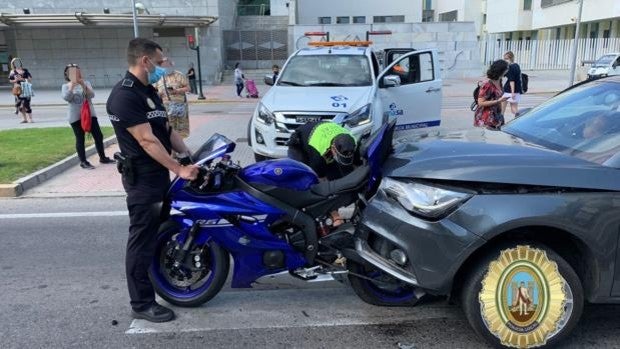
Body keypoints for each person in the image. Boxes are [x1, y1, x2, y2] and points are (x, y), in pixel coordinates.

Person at [107, 38, 199, 323]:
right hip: (143, 181)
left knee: (158, 235)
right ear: (144, 61)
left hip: (158, 176)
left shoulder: (149, 92)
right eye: (159, 63)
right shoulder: (124, 96)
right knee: (142, 241)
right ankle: (142, 303)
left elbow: (166, 129)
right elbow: (147, 140)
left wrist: (189, 154)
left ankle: (161, 286)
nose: (163, 68)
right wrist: (178, 169)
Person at [61, 64, 114, 169]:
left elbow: (91, 95)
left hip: (90, 115)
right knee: (80, 138)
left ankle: (102, 157)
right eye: (73, 72)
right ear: (67, 74)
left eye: (78, 71)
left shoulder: (86, 83)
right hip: (75, 116)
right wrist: (72, 86)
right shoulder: (65, 86)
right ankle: (83, 161)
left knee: (98, 135)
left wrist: (82, 85)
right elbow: (67, 98)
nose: (76, 73)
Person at [156, 59, 191, 139]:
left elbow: (188, 88)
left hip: (180, 106)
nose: (166, 68)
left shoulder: (179, 75)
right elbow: (154, 91)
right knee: (170, 127)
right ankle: (173, 145)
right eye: (163, 66)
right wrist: (159, 94)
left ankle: (180, 144)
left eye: (167, 65)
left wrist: (177, 91)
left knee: (181, 127)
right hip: (166, 107)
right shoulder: (159, 77)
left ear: (172, 65)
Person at [475, 60, 510, 130]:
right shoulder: (487, 84)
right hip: (487, 118)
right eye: (506, 69)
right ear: (501, 70)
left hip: (497, 115)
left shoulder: (499, 80)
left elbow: (499, 95)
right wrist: (498, 101)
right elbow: (480, 103)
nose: (507, 71)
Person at [8, 58, 34, 123]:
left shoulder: (25, 70)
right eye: (14, 63)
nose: (17, 64)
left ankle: (30, 118)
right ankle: (24, 119)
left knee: (26, 104)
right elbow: (10, 80)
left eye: (18, 62)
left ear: (20, 63)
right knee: (19, 105)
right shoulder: (12, 71)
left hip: (25, 88)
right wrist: (15, 80)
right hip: (18, 89)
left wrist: (22, 79)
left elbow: (30, 79)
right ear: (13, 64)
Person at [501, 51, 523, 119]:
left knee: (502, 109)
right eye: (504, 59)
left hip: (509, 91)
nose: (505, 60)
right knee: (514, 108)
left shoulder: (510, 67)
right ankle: (519, 119)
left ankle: (500, 122)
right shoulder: (516, 65)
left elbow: (511, 81)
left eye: (506, 58)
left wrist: (512, 92)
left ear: (511, 58)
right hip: (517, 90)